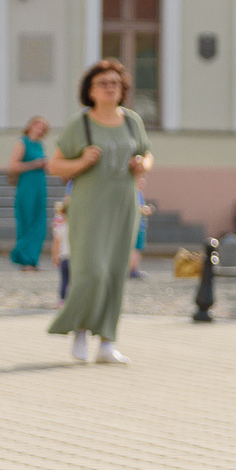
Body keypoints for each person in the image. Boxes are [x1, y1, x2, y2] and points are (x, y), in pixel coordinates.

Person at [47, 59, 152, 364]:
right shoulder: (80, 124)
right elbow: (55, 166)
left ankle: (107, 342)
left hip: (125, 204)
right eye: (102, 83)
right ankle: (79, 329)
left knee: (117, 274)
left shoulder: (132, 121)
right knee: (91, 271)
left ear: (123, 90)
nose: (109, 88)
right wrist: (80, 162)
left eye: (115, 84)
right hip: (89, 206)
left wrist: (142, 164)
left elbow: (146, 153)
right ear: (90, 91)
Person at [8, 116, 51, 271]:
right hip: (26, 185)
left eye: (43, 127)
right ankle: (24, 259)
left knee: (39, 222)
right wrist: (35, 164)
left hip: (40, 185)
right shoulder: (22, 142)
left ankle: (33, 259)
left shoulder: (40, 145)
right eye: (37, 125)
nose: (39, 129)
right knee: (26, 219)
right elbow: (13, 165)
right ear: (30, 126)